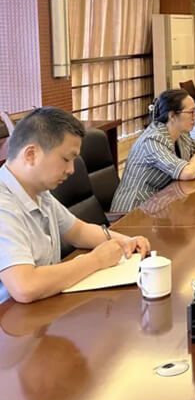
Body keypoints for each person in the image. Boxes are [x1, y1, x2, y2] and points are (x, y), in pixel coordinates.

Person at [0, 107, 150, 304]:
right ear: (31, 155)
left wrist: (126, 242)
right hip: (12, 318)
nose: (71, 170)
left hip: (44, 307)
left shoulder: (40, 192)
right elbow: (25, 286)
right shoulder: (4, 203)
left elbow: (78, 231)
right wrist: (96, 260)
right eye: (66, 159)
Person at [110, 89, 195, 212]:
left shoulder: (180, 135)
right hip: (135, 210)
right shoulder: (152, 140)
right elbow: (187, 173)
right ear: (172, 116)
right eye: (191, 112)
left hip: (160, 205)